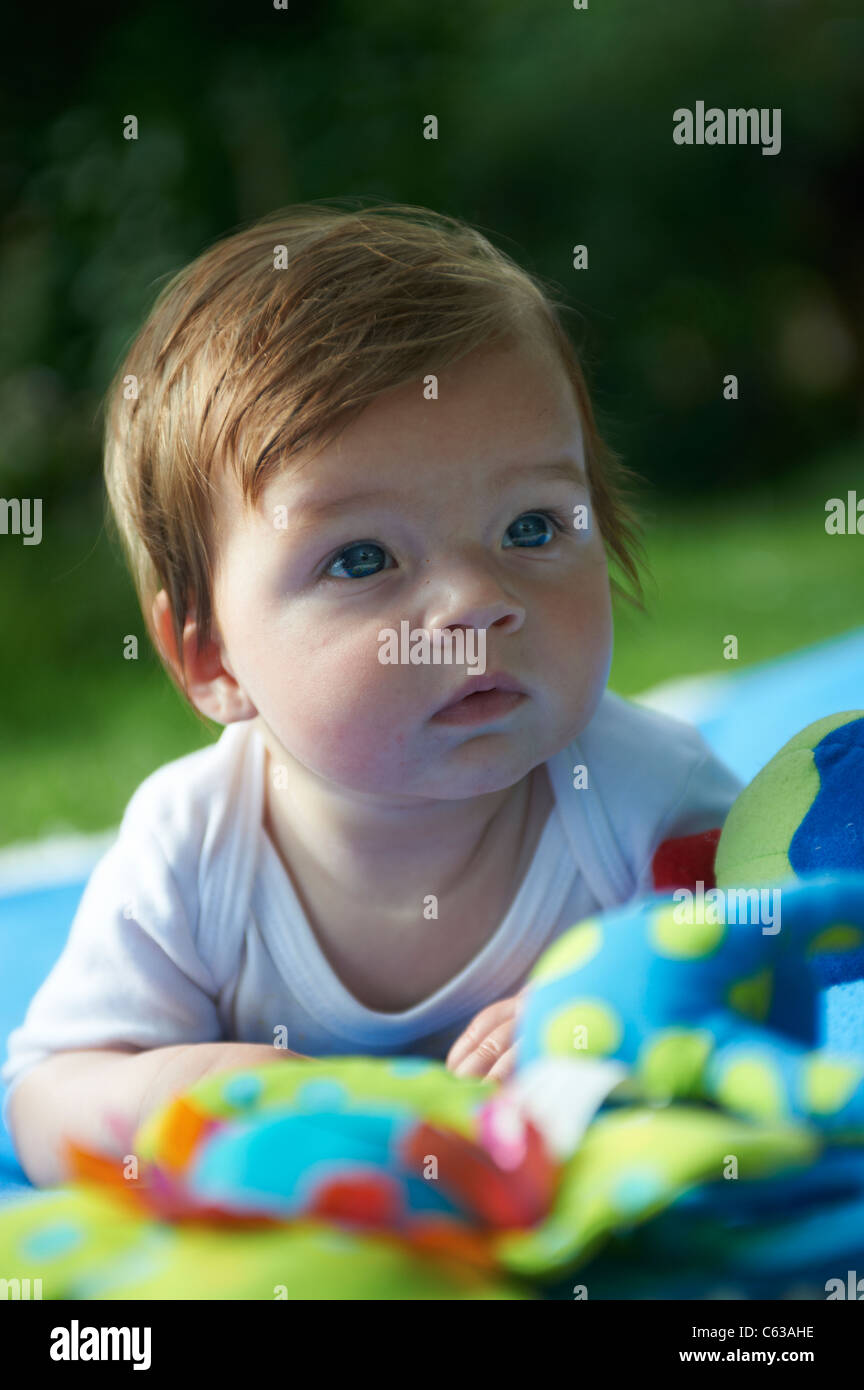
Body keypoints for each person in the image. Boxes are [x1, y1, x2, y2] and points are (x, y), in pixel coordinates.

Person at [2, 202, 742, 1186]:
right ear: (211, 657)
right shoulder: (195, 851)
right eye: (362, 557)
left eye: (531, 526)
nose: (480, 601)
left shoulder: (644, 791)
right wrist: (171, 1096)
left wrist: (615, 1001)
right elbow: (45, 1094)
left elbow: (774, 957)